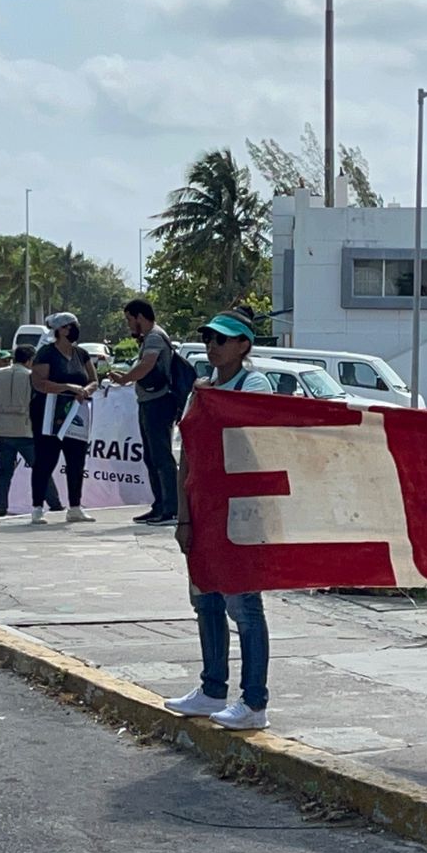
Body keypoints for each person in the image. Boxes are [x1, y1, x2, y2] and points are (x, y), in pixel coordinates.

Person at [167, 308, 275, 731]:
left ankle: (254, 701)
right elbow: (187, 456)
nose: (212, 345)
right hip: (203, 512)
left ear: (243, 345)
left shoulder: (254, 386)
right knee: (205, 600)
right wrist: (183, 516)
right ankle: (212, 689)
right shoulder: (201, 390)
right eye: (209, 338)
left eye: (222, 339)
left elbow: (256, 444)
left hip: (241, 515)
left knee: (243, 606)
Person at [109, 299, 179, 526]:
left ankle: (171, 509)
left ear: (140, 316)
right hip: (149, 401)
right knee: (151, 457)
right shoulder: (149, 338)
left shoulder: (155, 337)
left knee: (161, 457)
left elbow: (147, 364)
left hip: (159, 403)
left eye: (130, 319)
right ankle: (159, 505)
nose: (129, 325)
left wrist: (124, 379)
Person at [29, 312, 97, 525]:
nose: (74, 330)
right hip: (49, 412)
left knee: (76, 460)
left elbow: (94, 380)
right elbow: (39, 383)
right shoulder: (46, 354)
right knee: (46, 459)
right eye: (70, 326)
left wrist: (86, 390)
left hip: (76, 412)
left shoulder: (81, 354)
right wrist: (66, 387)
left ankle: (75, 507)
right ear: (61, 330)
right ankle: (38, 507)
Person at [0, 343, 62, 517]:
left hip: (1, 430)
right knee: (41, 469)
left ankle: (0, 508)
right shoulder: (31, 377)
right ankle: (55, 504)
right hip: (25, 430)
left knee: (5, 472)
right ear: (30, 360)